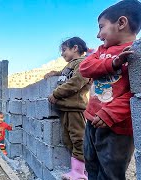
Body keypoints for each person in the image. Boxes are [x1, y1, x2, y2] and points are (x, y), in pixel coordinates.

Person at [79, 0, 141, 179]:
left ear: (121, 23)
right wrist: (113, 63)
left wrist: (109, 114)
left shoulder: (138, 52)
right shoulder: (102, 51)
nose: (98, 34)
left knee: (110, 172)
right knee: (91, 164)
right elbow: (85, 68)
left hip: (117, 129)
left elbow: (137, 94)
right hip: (92, 121)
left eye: (101, 27)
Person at [47, 37, 91, 180]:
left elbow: (75, 82)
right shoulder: (71, 65)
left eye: (64, 50)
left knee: (78, 139)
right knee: (68, 139)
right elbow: (65, 76)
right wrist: (55, 73)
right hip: (66, 108)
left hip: (75, 108)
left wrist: (56, 93)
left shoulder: (83, 63)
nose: (62, 54)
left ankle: (79, 173)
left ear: (75, 48)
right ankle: (79, 170)